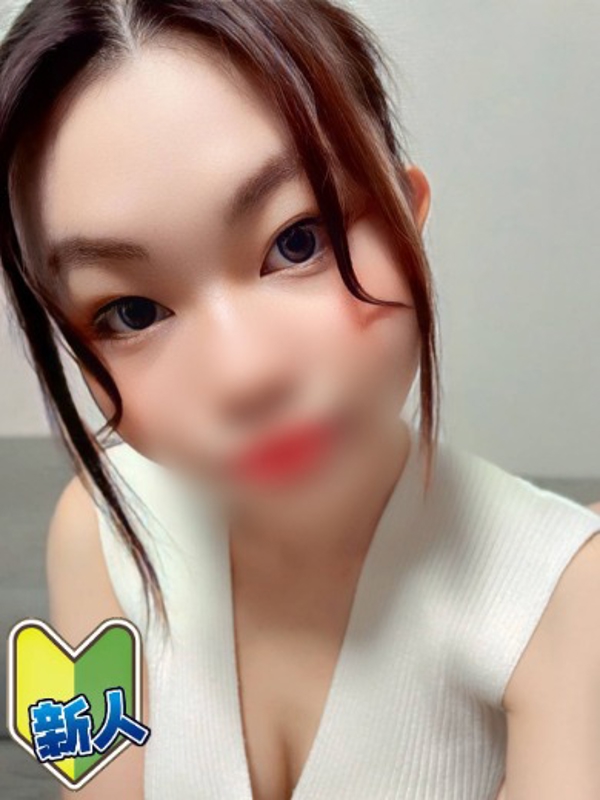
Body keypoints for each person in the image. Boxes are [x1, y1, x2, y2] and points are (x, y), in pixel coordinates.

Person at [1, 2, 599, 799]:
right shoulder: (98, 530)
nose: (245, 376)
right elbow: (90, 776)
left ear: (408, 210)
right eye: (132, 312)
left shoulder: (564, 598)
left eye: (299, 240)